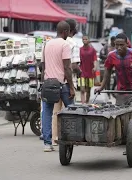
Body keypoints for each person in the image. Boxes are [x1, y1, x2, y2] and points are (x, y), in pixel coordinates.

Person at [41, 21, 75, 152]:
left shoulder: (47, 44)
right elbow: (67, 67)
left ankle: (47, 144)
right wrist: (71, 87)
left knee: (47, 113)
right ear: (65, 31)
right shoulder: (65, 44)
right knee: (73, 110)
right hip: (61, 84)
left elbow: (42, 66)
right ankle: (72, 138)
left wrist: (43, 83)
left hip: (48, 83)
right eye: (68, 32)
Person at [95, 33, 132, 107]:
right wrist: (101, 87)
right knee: (120, 113)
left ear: (127, 44)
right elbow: (107, 71)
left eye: (121, 45)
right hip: (121, 91)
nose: (119, 47)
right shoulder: (111, 56)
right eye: (117, 45)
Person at [51, 18, 80, 146]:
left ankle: (54, 138)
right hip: (68, 82)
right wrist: (80, 72)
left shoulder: (54, 42)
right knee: (70, 111)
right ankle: (69, 138)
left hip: (55, 80)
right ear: (72, 29)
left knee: (56, 111)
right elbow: (72, 66)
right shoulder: (73, 43)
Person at [79, 36, 97, 104]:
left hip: (90, 72)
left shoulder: (92, 50)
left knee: (88, 89)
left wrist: (95, 67)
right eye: (83, 39)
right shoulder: (80, 49)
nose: (84, 40)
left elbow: (95, 59)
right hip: (82, 71)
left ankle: (87, 102)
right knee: (82, 89)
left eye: (86, 39)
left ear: (89, 40)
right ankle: (83, 103)